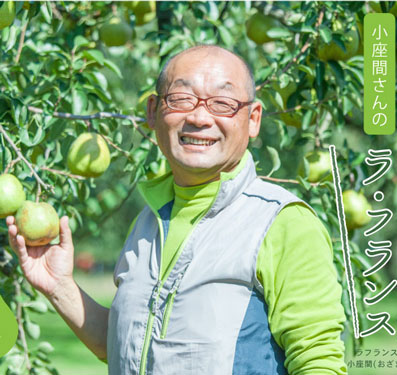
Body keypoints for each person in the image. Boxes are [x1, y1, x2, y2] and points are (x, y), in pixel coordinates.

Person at [7, 45, 347, 375]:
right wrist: (59, 286)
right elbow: (130, 347)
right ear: (153, 111)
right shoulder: (149, 222)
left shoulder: (282, 222)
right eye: (182, 99)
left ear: (253, 119)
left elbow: (318, 361)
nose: (199, 117)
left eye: (223, 103)